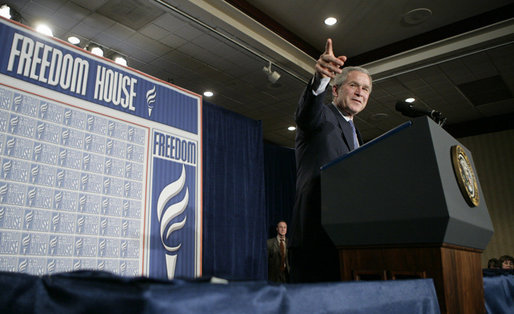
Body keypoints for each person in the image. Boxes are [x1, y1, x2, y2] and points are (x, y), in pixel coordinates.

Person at [289, 38, 372, 283]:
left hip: (347, 239)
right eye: (354, 85)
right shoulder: (322, 115)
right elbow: (307, 114)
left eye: (365, 89)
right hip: (315, 238)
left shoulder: (358, 135)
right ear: (335, 90)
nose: (360, 92)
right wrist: (320, 79)